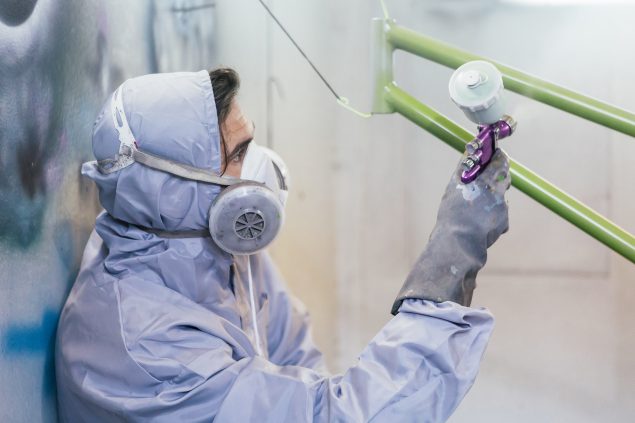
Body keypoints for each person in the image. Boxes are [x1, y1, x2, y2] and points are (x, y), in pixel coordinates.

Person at [55, 68, 511, 422]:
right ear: (173, 190)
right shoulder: (146, 352)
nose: (258, 172)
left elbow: (297, 364)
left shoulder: (206, 247)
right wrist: (454, 249)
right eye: (238, 154)